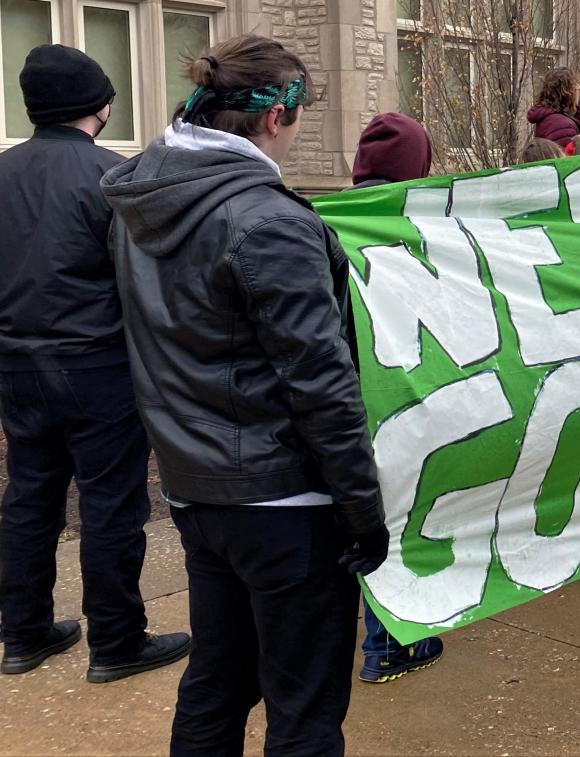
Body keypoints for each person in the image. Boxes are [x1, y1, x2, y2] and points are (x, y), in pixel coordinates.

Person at [101, 35, 388, 755]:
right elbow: (323, 385)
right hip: (284, 505)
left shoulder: (140, 202)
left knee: (218, 680)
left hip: (200, 493)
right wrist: (362, 510)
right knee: (305, 705)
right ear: (273, 119)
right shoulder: (270, 223)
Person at [0, 44, 192, 682]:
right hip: (98, 366)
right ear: (101, 105)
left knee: (30, 497)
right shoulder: (116, 178)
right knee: (111, 504)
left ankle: (23, 633)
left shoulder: (3, 175)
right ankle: (117, 641)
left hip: (17, 366)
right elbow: (148, 279)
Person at [348, 112, 446, 684]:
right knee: (396, 519)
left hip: (341, 404)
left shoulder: (326, 221)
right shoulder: (409, 226)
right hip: (398, 399)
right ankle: (388, 645)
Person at [527, 67, 580, 149]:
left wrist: (577, 105)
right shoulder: (562, 124)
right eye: (574, 85)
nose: (578, 88)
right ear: (566, 92)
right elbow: (565, 159)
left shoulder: (552, 118)